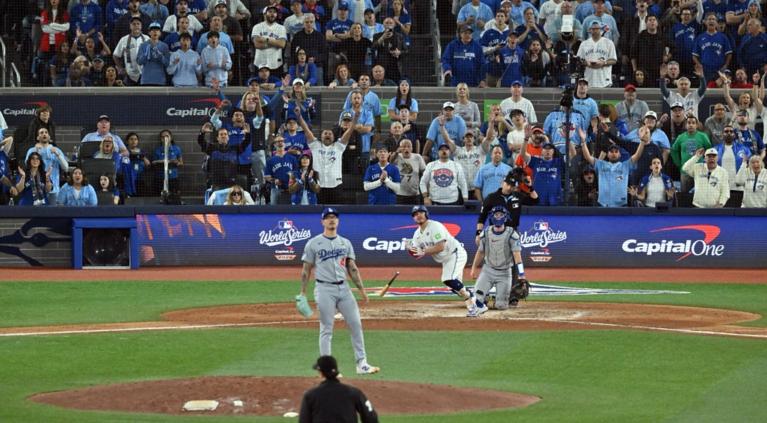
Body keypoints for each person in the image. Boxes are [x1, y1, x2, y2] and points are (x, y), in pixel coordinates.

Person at [300, 207, 380, 375]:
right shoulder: (313, 243)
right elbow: (306, 270)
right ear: (322, 221)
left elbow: (353, 268)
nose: (331, 220)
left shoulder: (345, 243)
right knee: (326, 328)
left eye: (334, 217)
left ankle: (362, 364)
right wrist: (303, 293)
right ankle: (327, 368)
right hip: (324, 289)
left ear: (338, 221)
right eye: (328, 217)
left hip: (344, 289)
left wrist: (362, 290)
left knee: (356, 324)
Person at [408, 205, 480, 317]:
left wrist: (423, 251)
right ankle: (478, 303)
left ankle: (474, 304)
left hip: (455, 254)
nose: (419, 216)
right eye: (416, 214)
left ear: (426, 214)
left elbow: (440, 247)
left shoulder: (435, 226)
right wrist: (412, 250)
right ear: (413, 218)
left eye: (421, 213)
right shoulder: (417, 234)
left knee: (448, 279)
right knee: (455, 287)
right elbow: (416, 252)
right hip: (446, 260)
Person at [581, 127, 650, 207]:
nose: (614, 154)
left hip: (621, 206)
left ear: (620, 154)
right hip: (603, 205)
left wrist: (642, 141)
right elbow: (588, 157)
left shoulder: (625, 165)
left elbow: (637, 155)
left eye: (616, 151)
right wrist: (583, 141)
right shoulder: (600, 164)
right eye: (611, 151)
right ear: (607, 154)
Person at [299, 355, 379, 423]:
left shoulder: (310, 396)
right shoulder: (354, 393)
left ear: (321, 373)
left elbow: (304, 421)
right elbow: (371, 418)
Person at [470, 207, 517, 311]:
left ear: (505, 217)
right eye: (496, 215)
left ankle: (496, 298)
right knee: (476, 301)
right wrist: (473, 268)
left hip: (505, 273)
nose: (498, 217)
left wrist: (522, 274)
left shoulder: (512, 233)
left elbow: (517, 255)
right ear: (492, 216)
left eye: (501, 215)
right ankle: (485, 297)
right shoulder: (486, 233)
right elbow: (480, 252)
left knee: (501, 306)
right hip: (488, 270)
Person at [305, 111, 357, 204]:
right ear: (321, 136)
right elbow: (306, 129)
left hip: (336, 186)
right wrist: (299, 116)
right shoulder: (315, 146)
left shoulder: (338, 147)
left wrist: (356, 117)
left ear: (334, 137)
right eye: (325, 133)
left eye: (330, 134)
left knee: (336, 210)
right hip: (319, 187)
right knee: (319, 211)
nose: (328, 135)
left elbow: (350, 131)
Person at [519, 140, 572, 206]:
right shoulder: (535, 161)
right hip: (538, 197)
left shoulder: (559, 161)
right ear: (541, 151)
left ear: (553, 151)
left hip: (555, 198)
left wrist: (569, 140)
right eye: (545, 149)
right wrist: (526, 139)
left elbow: (573, 154)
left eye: (550, 149)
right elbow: (522, 154)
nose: (548, 151)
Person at [24, 127, 68, 205]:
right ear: (37, 137)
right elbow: (27, 166)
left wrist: (57, 154)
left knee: (53, 212)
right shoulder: (32, 150)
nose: (44, 134)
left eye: (46, 132)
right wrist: (36, 151)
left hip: (53, 189)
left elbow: (66, 168)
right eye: (41, 133)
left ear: (49, 137)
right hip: (37, 189)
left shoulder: (57, 150)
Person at [671, 115, 712, 193]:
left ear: (696, 125)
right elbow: (673, 150)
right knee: (684, 196)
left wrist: (706, 165)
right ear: (685, 125)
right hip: (685, 172)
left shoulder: (703, 136)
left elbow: (709, 151)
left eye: (693, 123)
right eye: (689, 123)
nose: (691, 125)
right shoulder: (681, 137)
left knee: (701, 194)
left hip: (700, 171)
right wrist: (679, 164)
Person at [715, 123, 751, 207]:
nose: (729, 133)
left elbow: (749, 167)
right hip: (721, 188)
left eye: (731, 131)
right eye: (726, 131)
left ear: (734, 135)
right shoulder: (715, 149)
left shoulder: (744, 150)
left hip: (738, 187)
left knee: (737, 211)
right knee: (721, 212)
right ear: (722, 135)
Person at [692, 13, 732, 82]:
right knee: (706, 88)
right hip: (705, 70)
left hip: (720, 69)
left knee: (720, 88)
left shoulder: (723, 37)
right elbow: (694, 55)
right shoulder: (700, 37)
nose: (711, 21)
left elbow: (729, 53)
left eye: (713, 19)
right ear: (705, 22)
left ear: (716, 23)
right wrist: (699, 65)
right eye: (709, 19)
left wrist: (725, 65)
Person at [577, 20, 617, 88]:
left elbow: (614, 60)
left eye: (597, 28)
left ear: (601, 29)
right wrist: (587, 63)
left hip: (605, 80)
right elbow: (579, 60)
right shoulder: (584, 44)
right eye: (593, 29)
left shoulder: (609, 43)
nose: (595, 30)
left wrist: (603, 63)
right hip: (588, 80)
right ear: (589, 30)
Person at [113, 17, 150, 86]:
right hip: (130, 74)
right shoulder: (124, 39)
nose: (136, 26)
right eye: (134, 24)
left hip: (144, 74)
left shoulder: (147, 39)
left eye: (138, 24)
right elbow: (115, 55)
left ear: (141, 26)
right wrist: (120, 68)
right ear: (130, 26)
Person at [252, 5, 287, 76]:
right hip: (260, 63)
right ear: (265, 14)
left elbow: (282, 44)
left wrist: (266, 39)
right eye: (270, 12)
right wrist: (275, 43)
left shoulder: (281, 28)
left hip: (276, 63)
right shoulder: (257, 27)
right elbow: (257, 45)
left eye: (274, 12)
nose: (272, 14)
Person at [393, 138, 426, 205]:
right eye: (404, 147)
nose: (406, 148)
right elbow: (390, 162)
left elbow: (425, 172)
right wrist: (396, 152)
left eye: (408, 146)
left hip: (414, 194)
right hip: (399, 194)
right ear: (400, 148)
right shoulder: (397, 157)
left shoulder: (417, 157)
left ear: (412, 148)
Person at [136, 21, 170, 86]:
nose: (155, 32)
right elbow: (139, 62)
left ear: (160, 33)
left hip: (160, 79)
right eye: (153, 30)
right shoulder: (143, 45)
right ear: (149, 32)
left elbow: (167, 63)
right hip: (146, 79)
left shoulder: (164, 46)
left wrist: (161, 57)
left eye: (157, 30)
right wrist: (145, 55)